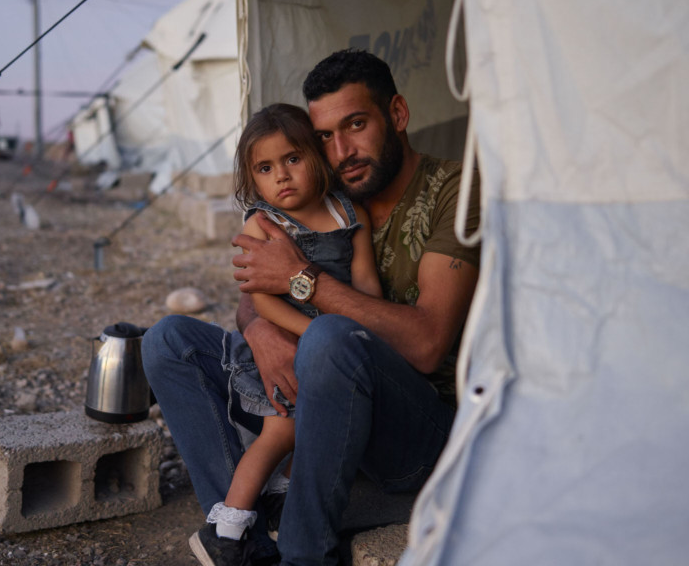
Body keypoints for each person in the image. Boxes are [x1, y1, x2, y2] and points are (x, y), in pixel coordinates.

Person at [143, 48, 481, 566]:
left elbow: (427, 344)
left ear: (397, 115)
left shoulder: (454, 191)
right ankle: (241, 534)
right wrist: (262, 334)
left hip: (416, 430)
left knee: (327, 339)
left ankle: (304, 552)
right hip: (316, 390)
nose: (342, 149)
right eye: (324, 136)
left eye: (357, 124)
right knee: (169, 340)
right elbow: (254, 296)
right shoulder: (325, 190)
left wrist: (302, 280)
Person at [146, 103, 382, 566]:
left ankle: (273, 508)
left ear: (317, 154)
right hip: (282, 345)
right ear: (252, 179)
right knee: (281, 431)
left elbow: (367, 284)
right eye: (266, 168)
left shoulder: (350, 215)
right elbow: (264, 302)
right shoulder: (264, 225)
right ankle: (228, 529)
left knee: (297, 431)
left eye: (292, 159)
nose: (282, 176)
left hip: (334, 350)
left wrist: (366, 330)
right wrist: (316, 335)